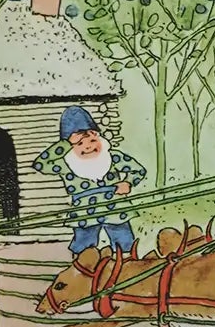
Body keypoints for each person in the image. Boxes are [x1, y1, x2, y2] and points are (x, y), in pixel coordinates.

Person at [31, 105, 145, 256]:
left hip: (115, 209)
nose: (88, 147)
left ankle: (127, 268)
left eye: (92, 140)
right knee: (84, 248)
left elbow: (138, 170)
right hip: (84, 214)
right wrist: (65, 143)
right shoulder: (65, 164)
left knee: (124, 243)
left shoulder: (112, 157)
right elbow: (40, 164)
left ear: (98, 137)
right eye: (79, 144)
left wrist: (128, 183)